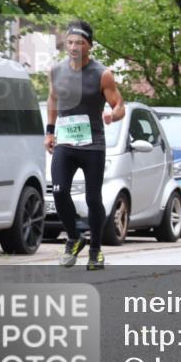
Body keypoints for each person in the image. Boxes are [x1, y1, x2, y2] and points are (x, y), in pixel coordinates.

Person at [45, 20, 125, 270]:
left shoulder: (103, 74)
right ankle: (74, 237)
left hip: (92, 145)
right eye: (69, 42)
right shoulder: (56, 71)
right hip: (65, 143)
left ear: (89, 45)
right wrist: (49, 131)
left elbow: (119, 105)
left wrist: (114, 115)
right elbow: (52, 99)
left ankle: (96, 250)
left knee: (92, 198)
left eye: (79, 42)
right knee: (58, 191)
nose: (73, 47)